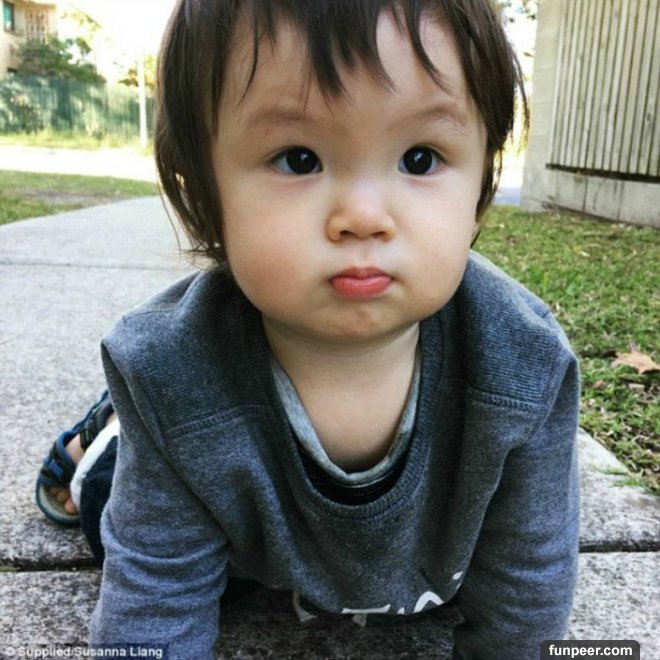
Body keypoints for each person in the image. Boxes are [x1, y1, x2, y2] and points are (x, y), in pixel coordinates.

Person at [35, 0, 580, 658]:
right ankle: (102, 431)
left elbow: (528, 579)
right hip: (226, 510)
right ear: (205, 191)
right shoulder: (174, 376)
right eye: (298, 159)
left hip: (366, 548)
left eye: (420, 158)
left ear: (482, 184)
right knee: (104, 508)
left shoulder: (524, 365)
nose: (364, 216)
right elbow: (154, 594)